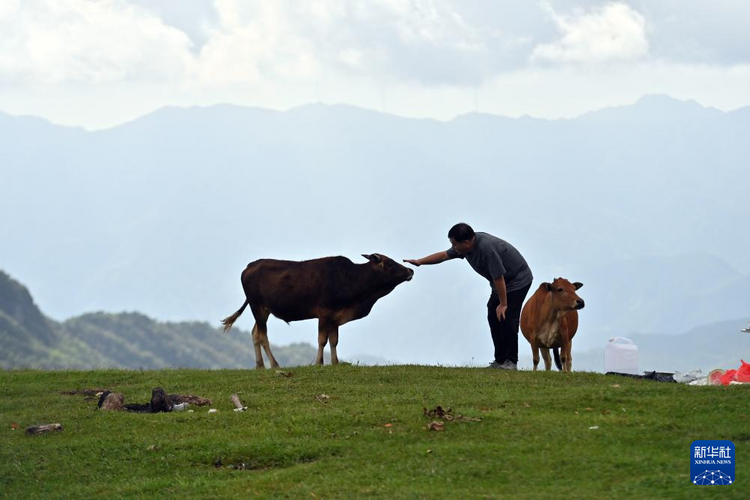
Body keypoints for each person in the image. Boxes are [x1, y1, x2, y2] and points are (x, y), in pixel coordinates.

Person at [404, 223, 533, 370]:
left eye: (455, 244)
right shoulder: (464, 247)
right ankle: (500, 360)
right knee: (493, 314)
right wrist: (420, 261)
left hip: (517, 280)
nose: (454, 247)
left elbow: (499, 277)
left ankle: (510, 362)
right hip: (500, 284)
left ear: (466, 242)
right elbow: (444, 256)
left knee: (508, 317)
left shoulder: (487, 249)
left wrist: (503, 304)